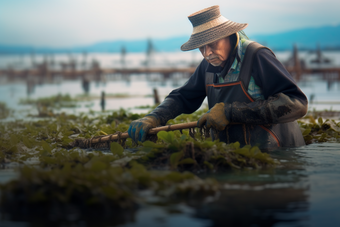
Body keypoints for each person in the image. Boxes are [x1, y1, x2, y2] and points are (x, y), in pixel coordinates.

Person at [128, 5, 308, 150]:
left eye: (212, 44)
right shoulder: (208, 64)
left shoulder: (257, 56)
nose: (207, 53)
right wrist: (153, 118)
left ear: (229, 36)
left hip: (278, 153)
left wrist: (231, 111)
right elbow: (183, 97)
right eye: (201, 48)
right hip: (235, 156)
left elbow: (296, 104)